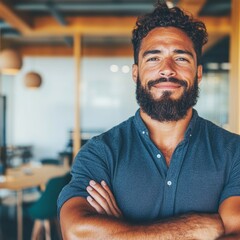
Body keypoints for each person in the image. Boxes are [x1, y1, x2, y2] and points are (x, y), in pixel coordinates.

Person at [58, 1, 240, 239]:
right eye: (153, 59)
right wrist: (199, 227)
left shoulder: (234, 151)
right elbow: (76, 233)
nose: (167, 69)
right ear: (136, 73)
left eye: (181, 58)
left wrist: (122, 231)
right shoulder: (100, 153)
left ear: (198, 73)